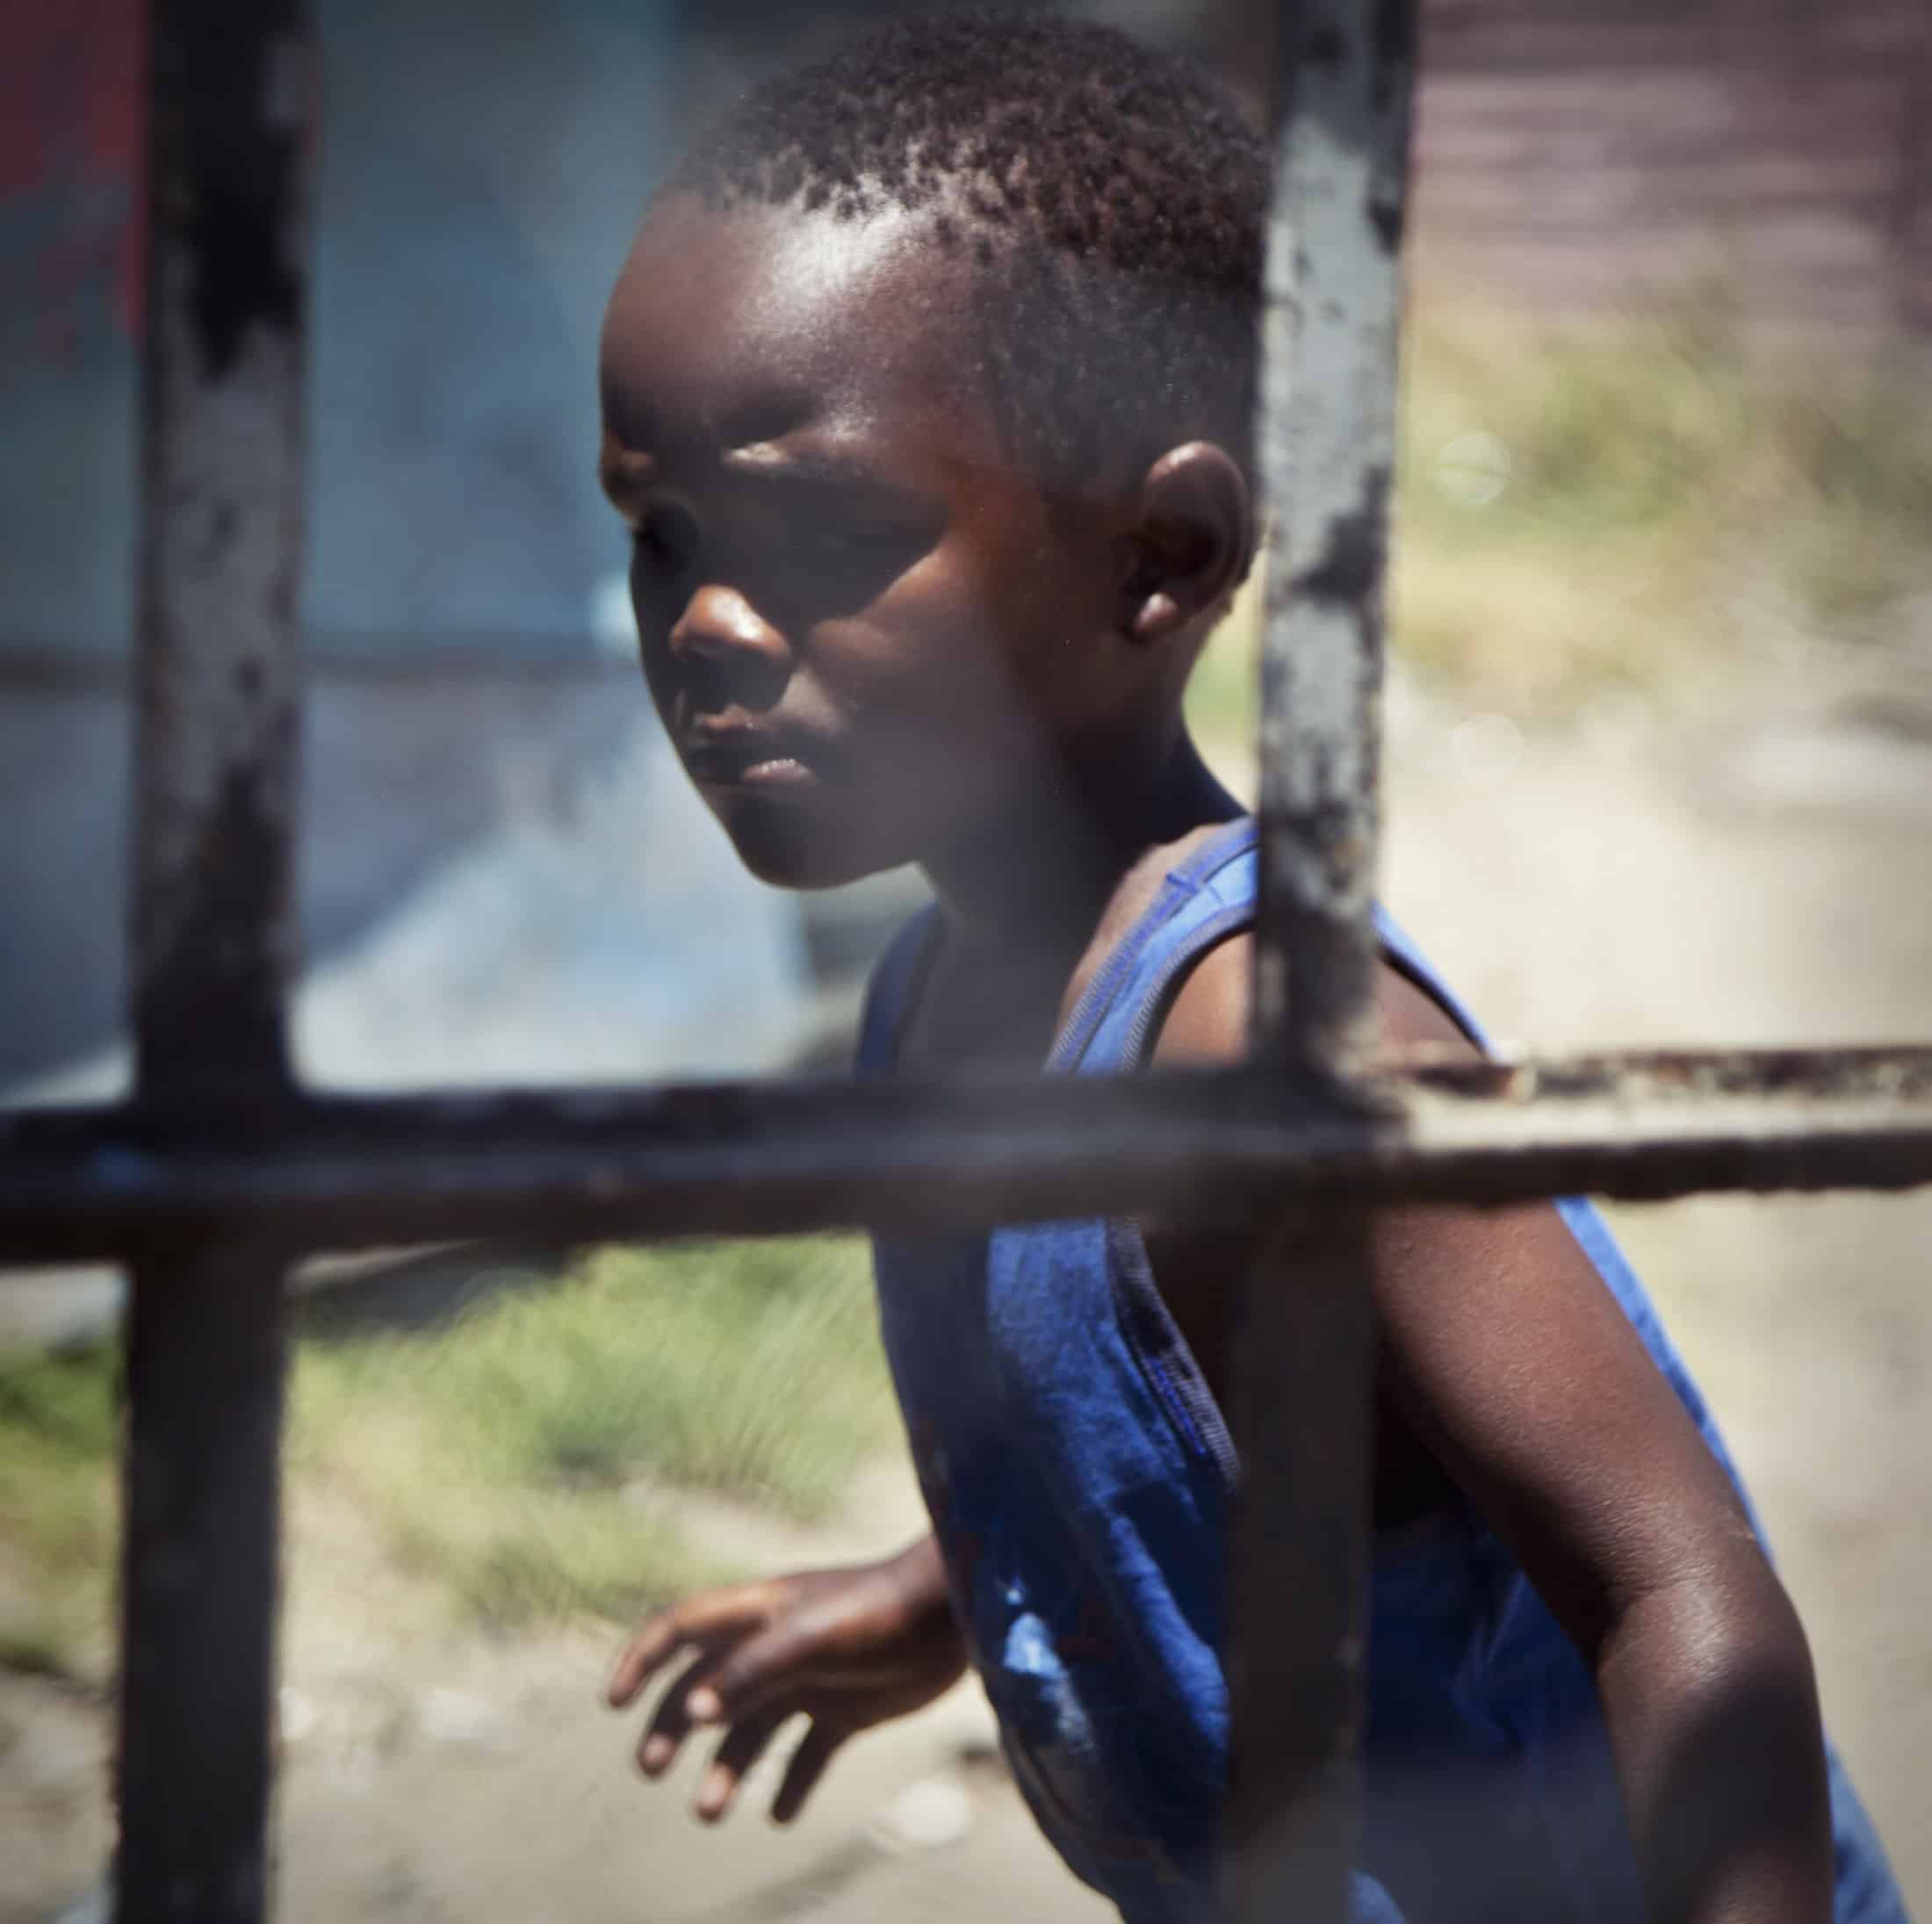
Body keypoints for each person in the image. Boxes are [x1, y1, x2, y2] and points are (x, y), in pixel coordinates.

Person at [594, 13, 1908, 1920]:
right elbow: (1151, 1436)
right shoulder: (930, 1008)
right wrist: (928, 1598)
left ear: (1163, 551)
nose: (705, 624)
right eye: (660, 536)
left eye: (817, 532)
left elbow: (1672, 1590)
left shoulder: (1263, 1040)